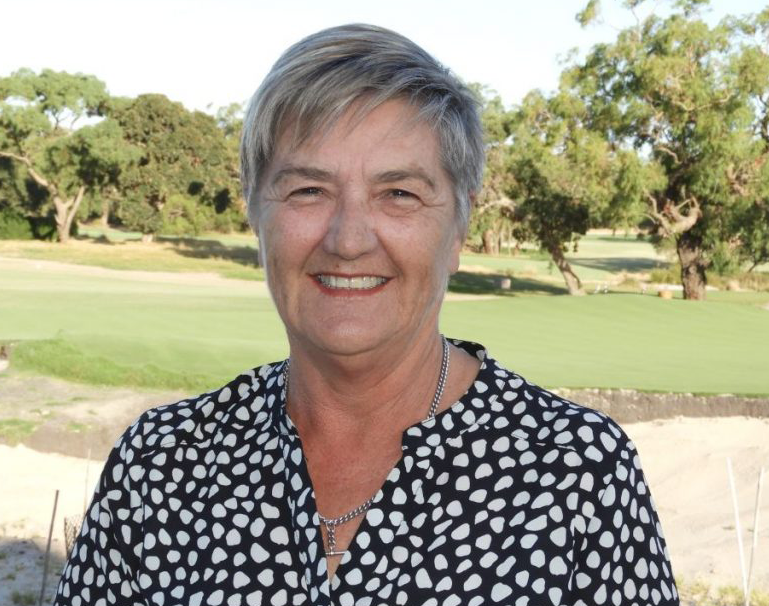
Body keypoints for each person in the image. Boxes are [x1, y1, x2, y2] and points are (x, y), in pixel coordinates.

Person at [54, 23, 678, 606]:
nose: (349, 238)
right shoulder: (160, 466)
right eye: (308, 190)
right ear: (255, 213)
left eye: (398, 193)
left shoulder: (580, 474)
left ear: (459, 225)